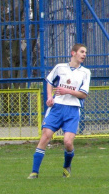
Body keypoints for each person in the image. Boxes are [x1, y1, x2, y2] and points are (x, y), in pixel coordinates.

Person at [27, 43, 91, 179]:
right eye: (82, 52)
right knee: (45, 136)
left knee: (68, 142)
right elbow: (49, 82)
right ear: (73, 53)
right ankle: (34, 172)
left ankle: (67, 166)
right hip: (56, 108)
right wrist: (50, 97)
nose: (84, 54)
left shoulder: (85, 72)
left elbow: (83, 94)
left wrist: (67, 91)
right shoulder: (60, 67)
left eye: (85, 52)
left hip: (72, 110)